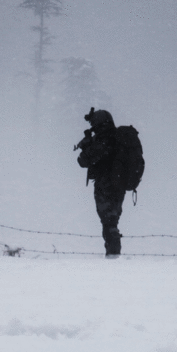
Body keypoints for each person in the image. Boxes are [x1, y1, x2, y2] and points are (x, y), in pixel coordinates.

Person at [76, 108, 126, 257]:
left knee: (109, 223)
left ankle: (113, 255)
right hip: (118, 186)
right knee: (111, 221)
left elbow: (83, 161)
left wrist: (86, 146)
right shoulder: (116, 138)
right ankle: (113, 253)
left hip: (106, 186)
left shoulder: (105, 140)